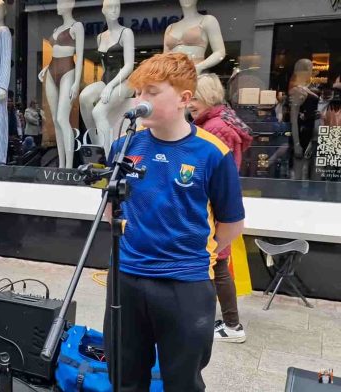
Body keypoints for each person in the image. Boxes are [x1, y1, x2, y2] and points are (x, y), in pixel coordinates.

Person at [105, 53, 245, 390]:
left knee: (182, 381)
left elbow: (231, 224)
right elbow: (110, 210)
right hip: (127, 278)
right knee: (123, 376)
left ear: (184, 98)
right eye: (138, 93)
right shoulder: (123, 147)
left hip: (185, 284)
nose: (141, 101)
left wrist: (198, 253)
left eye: (152, 92)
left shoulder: (212, 152)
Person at [188, 73, 252, 343]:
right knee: (220, 262)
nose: (190, 103)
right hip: (216, 205)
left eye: (195, 98)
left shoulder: (215, 128)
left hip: (213, 208)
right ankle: (228, 322)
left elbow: (211, 171)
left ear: (209, 97)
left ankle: (232, 325)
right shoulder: (220, 120)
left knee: (219, 264)